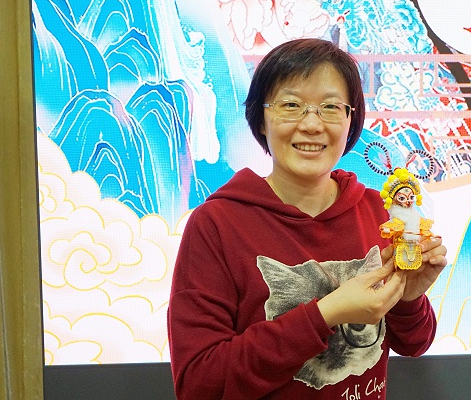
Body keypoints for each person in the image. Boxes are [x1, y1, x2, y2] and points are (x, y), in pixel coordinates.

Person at [168, 38, 447, 399]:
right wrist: (326, 314)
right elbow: (199, 384)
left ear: (350, 119)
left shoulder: (378, 212)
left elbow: (414, 343)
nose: (312, 124)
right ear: (261, 119)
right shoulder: (216, 225)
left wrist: (408, 299)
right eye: (291, 105)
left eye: (330, 107)